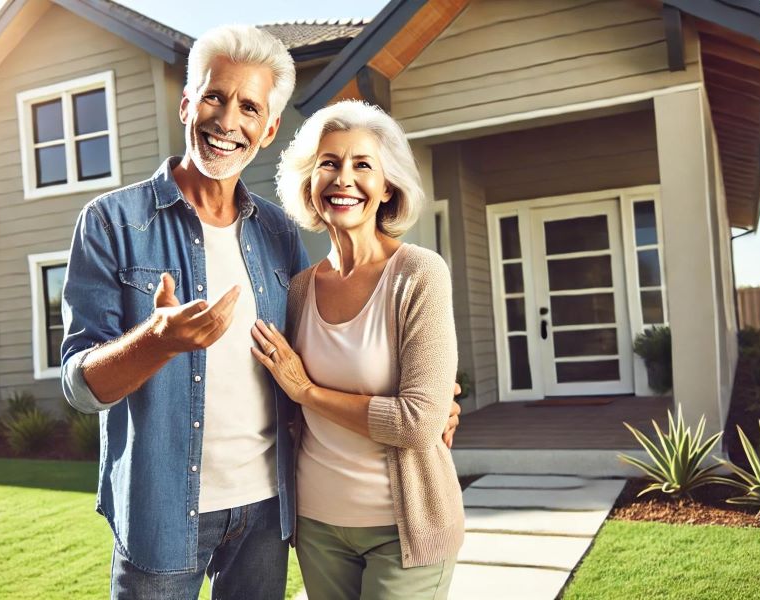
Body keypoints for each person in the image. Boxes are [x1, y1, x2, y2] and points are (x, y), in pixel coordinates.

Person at [59, 27, 460, 599]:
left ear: (269, 129)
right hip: (163, 511)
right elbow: (79, 386)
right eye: (214, 97)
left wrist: (432, 401)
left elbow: (317, 358)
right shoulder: (112, 223)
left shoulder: (276, 232)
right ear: (187, 104)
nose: (228, 121)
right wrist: (157, 340)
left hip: (268, 513)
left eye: (250, 107)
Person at [251, 100, 464, 600]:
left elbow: (418, 422)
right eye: (329, 163)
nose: (343, 178)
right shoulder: (299, 289)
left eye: (362, 165)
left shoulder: (419, 274)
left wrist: (307, 391)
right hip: (318, 525)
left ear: (387, 185)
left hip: (404, 528)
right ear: (309, 183)